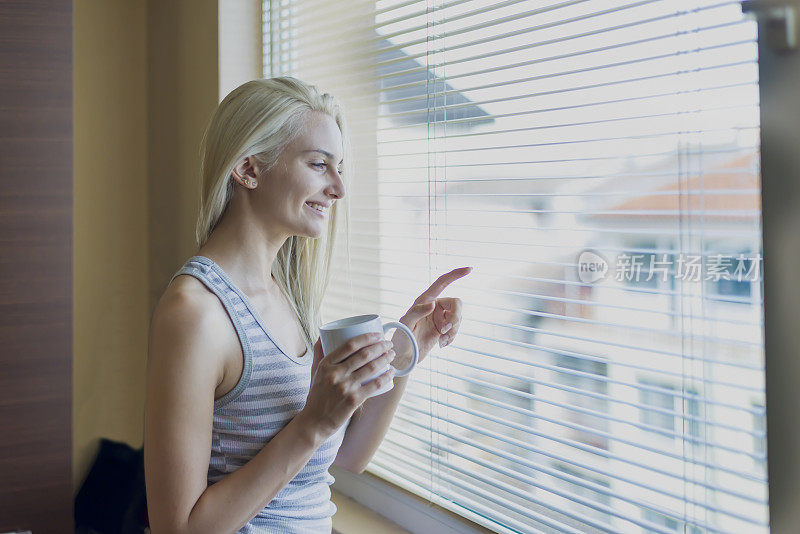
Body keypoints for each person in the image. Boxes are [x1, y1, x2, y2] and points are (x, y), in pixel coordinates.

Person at [143, 77, 470, 533]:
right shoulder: (196, 314)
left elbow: (348, 457)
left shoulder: (288, 298)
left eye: (340, 167)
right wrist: (312, 423)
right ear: (249, 169)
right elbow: (176, 529)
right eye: (319, 164)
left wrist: (406, 351)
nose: (338, 188)